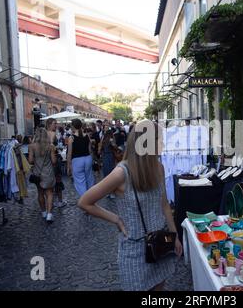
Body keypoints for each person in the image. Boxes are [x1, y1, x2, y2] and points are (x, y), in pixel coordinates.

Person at [77, 120, 183, 291]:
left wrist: (175, 235)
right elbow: (85, 202)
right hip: (134, 251)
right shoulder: (121, 173)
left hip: (160, 243)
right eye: (160, 139)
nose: (163, 143)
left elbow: (164, 205)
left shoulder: (159, 168)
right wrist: (116, 219)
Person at [28, 128, 57, 222]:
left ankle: (43, 212)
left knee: (40, 192)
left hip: (37, 172)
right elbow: (54, 161)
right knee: (49, 193)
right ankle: (49, 214)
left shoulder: (32, 146)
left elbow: (30, 161)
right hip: (48, 172)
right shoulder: (50, 146)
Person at [67, 119, 95, 197]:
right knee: (89, 179)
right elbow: (90, 150)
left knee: (80, 181)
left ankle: (85, 200)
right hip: (87, 158)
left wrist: (68, 166)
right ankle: (91, 197)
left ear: (72, 126)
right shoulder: (87, 136)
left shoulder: (71, 138)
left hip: (77, 160)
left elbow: (69, 154)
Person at [46, 118, 66, 208]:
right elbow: (52, 146)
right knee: (57, 180)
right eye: (54, 123)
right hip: (54, 159)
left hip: (46, 161)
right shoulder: (53, 134)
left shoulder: (43, 134)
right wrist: (57, 147)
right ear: (49, 124)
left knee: (49, 181)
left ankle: (50, 201)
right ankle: (60, 201)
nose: (56, 125)